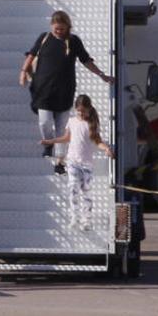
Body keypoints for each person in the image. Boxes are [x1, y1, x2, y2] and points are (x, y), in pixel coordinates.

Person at [19, 10, 113, 158]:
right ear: (51, 26)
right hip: (43, 89)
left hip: (64, 90)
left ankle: (60, 161)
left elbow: (86, 60)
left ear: (68, 27)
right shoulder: (44, 38)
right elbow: (31, 55)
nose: (59, 32)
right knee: (44, 122)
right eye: (56, 28)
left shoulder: (74, 41)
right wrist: (23, 71)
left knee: (62, 128)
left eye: (62, 29)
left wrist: (102, 75)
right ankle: (49, 143)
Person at [41, 95, 114, 231]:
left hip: (86, 163)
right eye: (78, 110)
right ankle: (75, 217)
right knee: (73, 189)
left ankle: (87, 220)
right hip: (73, 161)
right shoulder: (72, 121)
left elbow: (97, 141)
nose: (81, 113)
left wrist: (106, 149)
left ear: (89, 110)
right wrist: (50, 141)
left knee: (86, 191)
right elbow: (66, 138)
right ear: (75, 109)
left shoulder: (92, 124)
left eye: (83, 111)